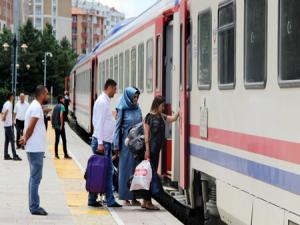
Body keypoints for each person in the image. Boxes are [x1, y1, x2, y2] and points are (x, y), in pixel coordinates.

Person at [88, 79, 122, 208]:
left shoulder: (104, 101)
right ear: (109, 87)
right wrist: (101, 144)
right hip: (102, 143)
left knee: (103, 171)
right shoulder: (102, 102)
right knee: (102, 171)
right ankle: (107, 200)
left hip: (104, 142)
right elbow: (99, 124)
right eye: (114, 89)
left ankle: (105, 199)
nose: (115, 91)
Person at [143, 95, 179, 210]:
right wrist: (147, 150)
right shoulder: (149, 117)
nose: (163, 108)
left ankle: (145, 201)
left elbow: (173, 118)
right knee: (150, 176)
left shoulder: (161, 116)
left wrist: (180, 110)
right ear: (157, 105)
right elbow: (146, 135)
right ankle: (147, 201)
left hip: (157, 150)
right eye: (162, 105)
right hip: (151, 150)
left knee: (151, 175)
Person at [20, 85, 49, 216]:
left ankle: (34, 204)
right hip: (35, 148)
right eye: (47, 94)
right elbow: (31, 127)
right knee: (35, 178)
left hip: (34, 147)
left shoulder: (34, 106)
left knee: (34, 177)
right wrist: (25, 137)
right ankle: (34, 206)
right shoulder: (36, 107)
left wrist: (25, 138)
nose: (47, 96)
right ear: (42, 94)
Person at [114, 87, 142, 206]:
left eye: (137, 97)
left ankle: (134, 197)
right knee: (125, 170)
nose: (135, 99)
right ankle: (125, 198)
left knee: (136, 170)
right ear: (129, 97)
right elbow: (117, 127)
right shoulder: (122, 109)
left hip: (136, 145)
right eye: (134, 97)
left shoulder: (137, 108)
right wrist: (116, 146)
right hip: (125, 145)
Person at [2, 93, 22, 161]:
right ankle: (14, 155)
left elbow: (3, 111)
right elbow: (7, 110)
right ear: (10, 97)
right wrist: (4, 117)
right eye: (13, 96)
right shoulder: (9, 103)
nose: (13, 97)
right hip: (8, 125)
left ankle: (6, 155)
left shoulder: (5, 103)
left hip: (6, 124)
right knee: (12, 140)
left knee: (7, 140)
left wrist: (3, 117)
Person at [51, 95, 71, 159]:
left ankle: (56, 155)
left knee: (56, 140)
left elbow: (51, 115)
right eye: (62, 98)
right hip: (60, 125)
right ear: (60, 100)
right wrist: (62, 125)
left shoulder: (55, 106)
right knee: (64, 140)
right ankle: (65, 155)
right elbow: (61, 115)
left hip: (55, 125)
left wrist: (52, 124)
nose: (63, 99)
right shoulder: (62, 106)